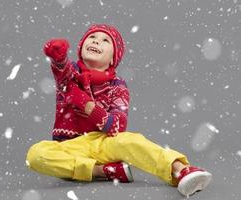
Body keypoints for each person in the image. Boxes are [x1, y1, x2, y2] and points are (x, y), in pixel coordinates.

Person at [26, 24, 212, 197]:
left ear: (113, 58)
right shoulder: (71, 74)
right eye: (91, 37)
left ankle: (180, 170)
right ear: (81, 49)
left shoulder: (118, 86)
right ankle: (102, 171)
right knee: (36, 154)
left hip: (102, 143)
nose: (96, 41)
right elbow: (62, 72)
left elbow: (117, 126)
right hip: (70, 147)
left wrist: (87, 105)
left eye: (105, 40)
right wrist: (58, 57)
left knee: (131, 140)